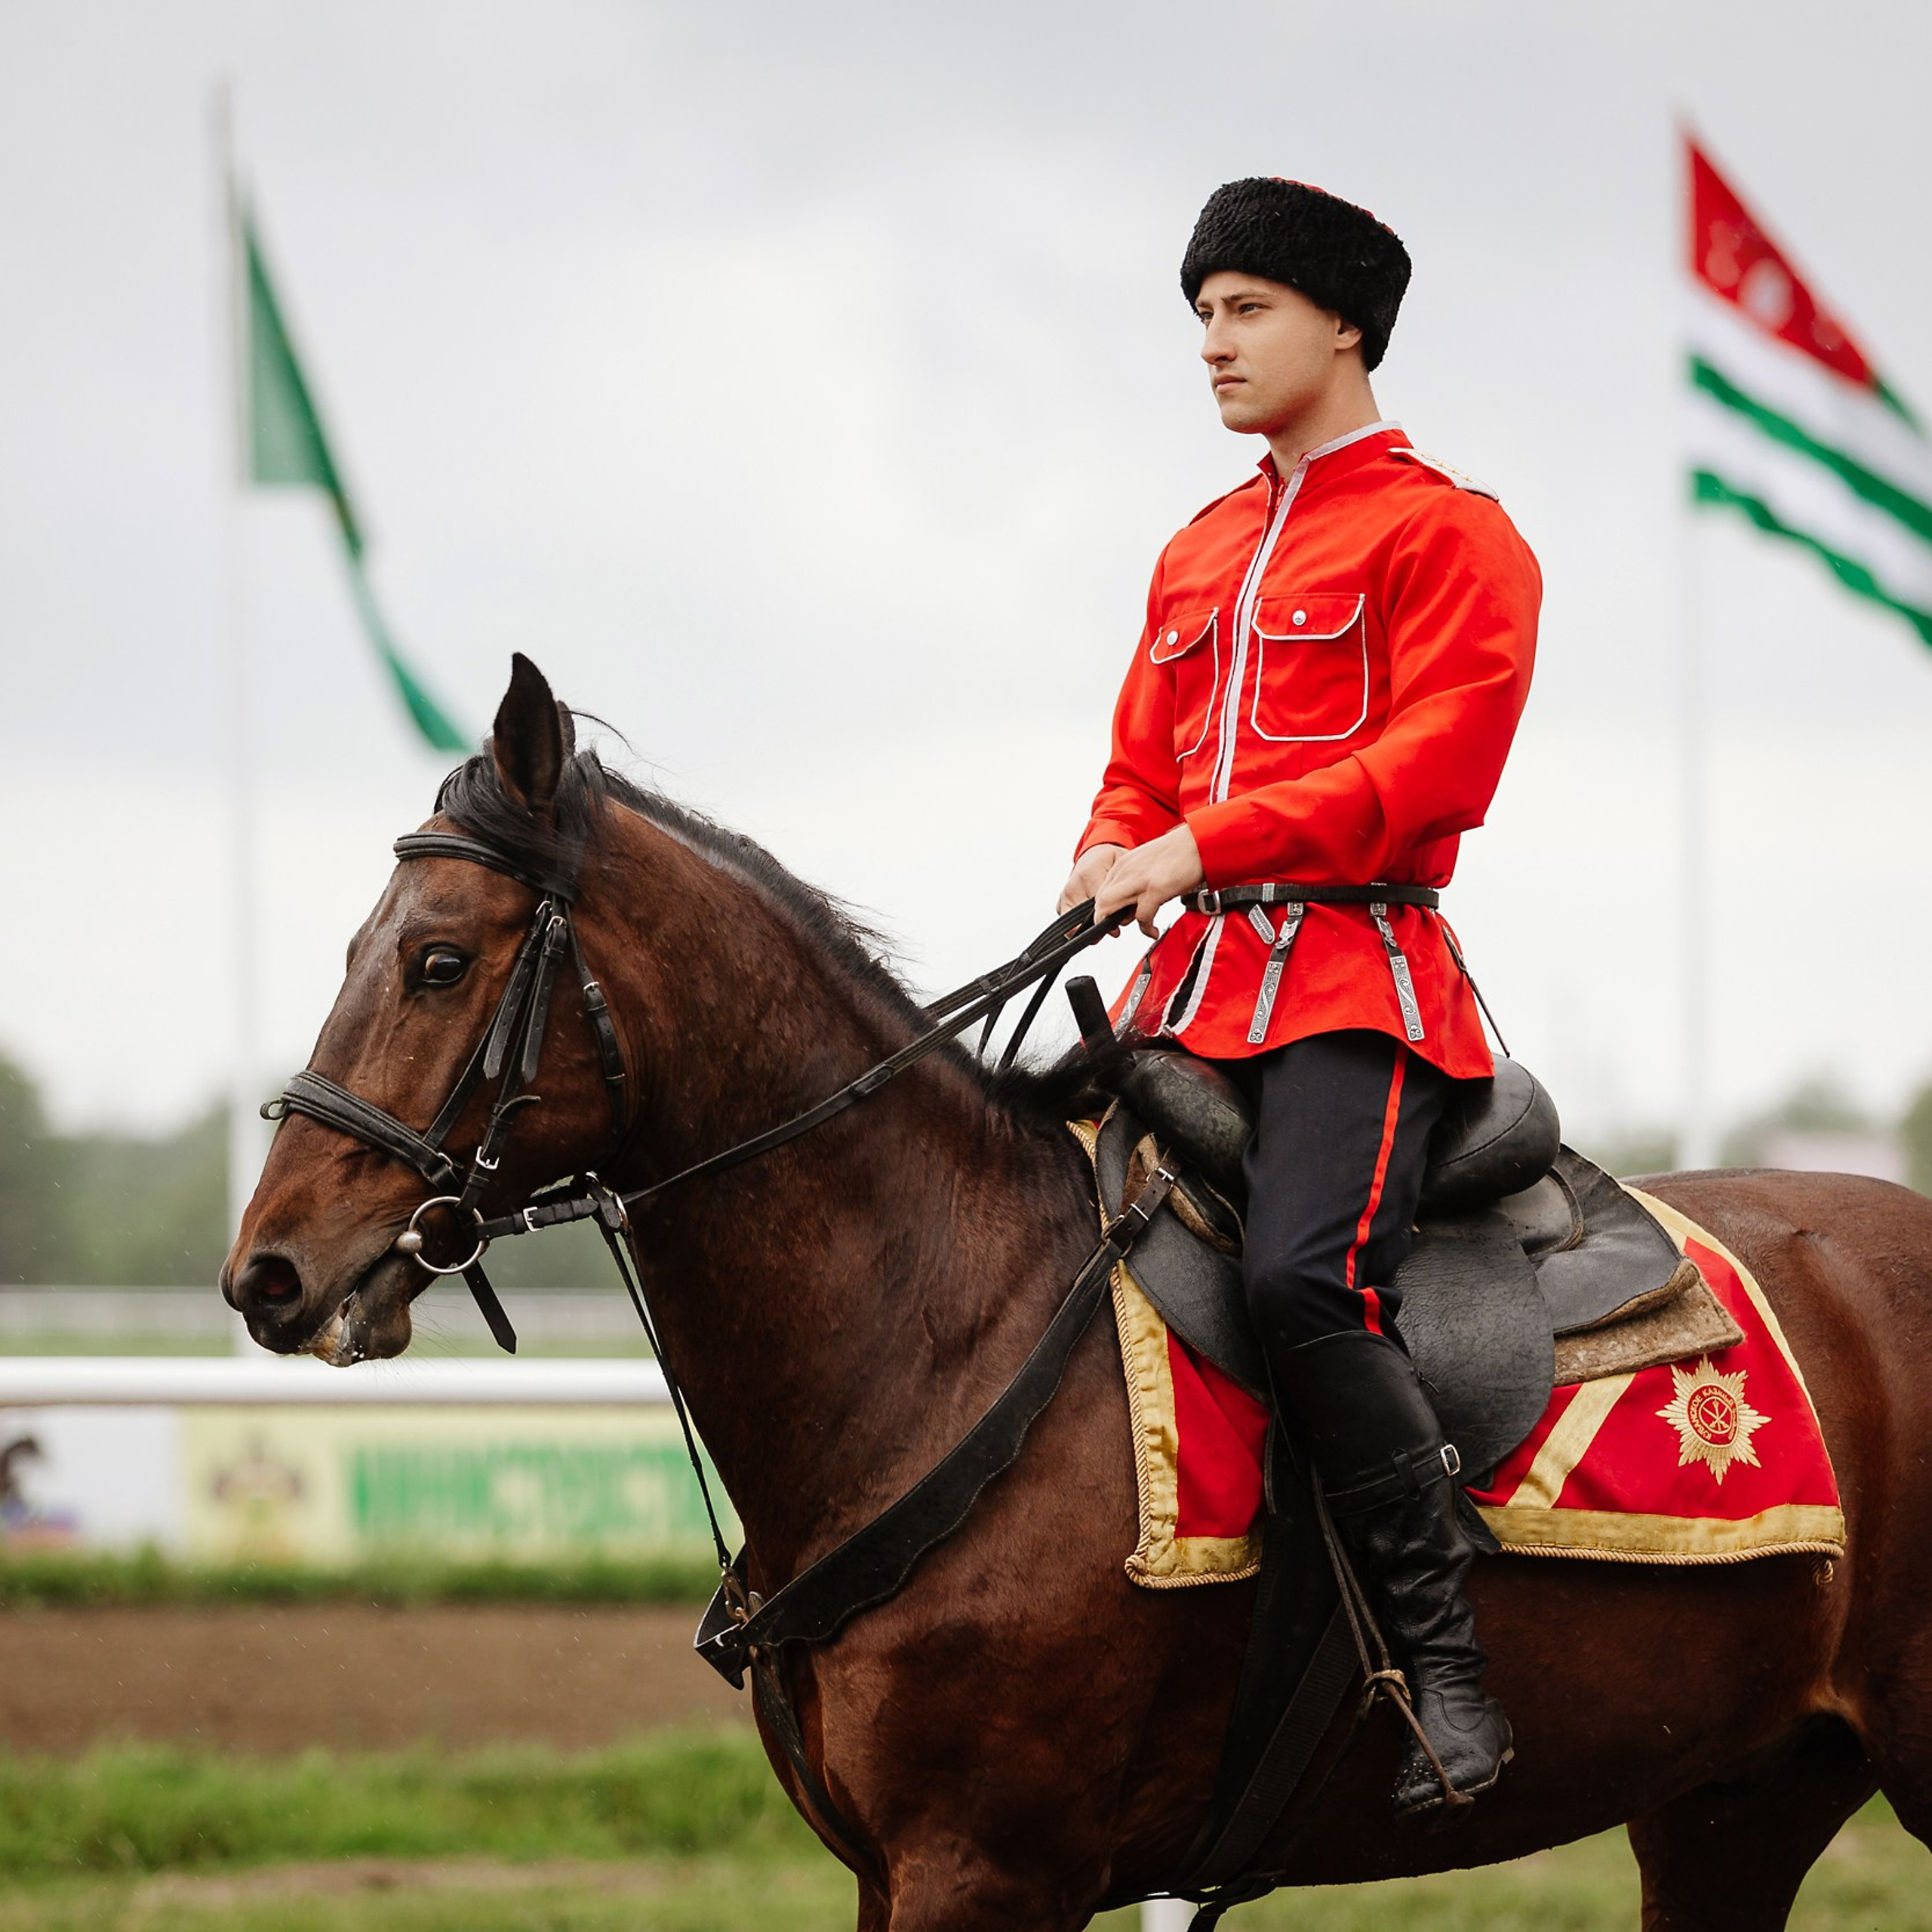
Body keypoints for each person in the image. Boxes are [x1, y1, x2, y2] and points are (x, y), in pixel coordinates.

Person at [1058, 177, 1540, 1816]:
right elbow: (1134, 770)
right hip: (1180, 987)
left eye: (1243, 307)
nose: (1211, 342)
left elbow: (1430, 773)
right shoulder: (1191, 550)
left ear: (1343, 322)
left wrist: (1196, 841)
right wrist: (1108, 846)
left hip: (1359, 987)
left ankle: (1442, 1667)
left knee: (1298, 1281)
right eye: (1199, 312)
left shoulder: (1448, 534)